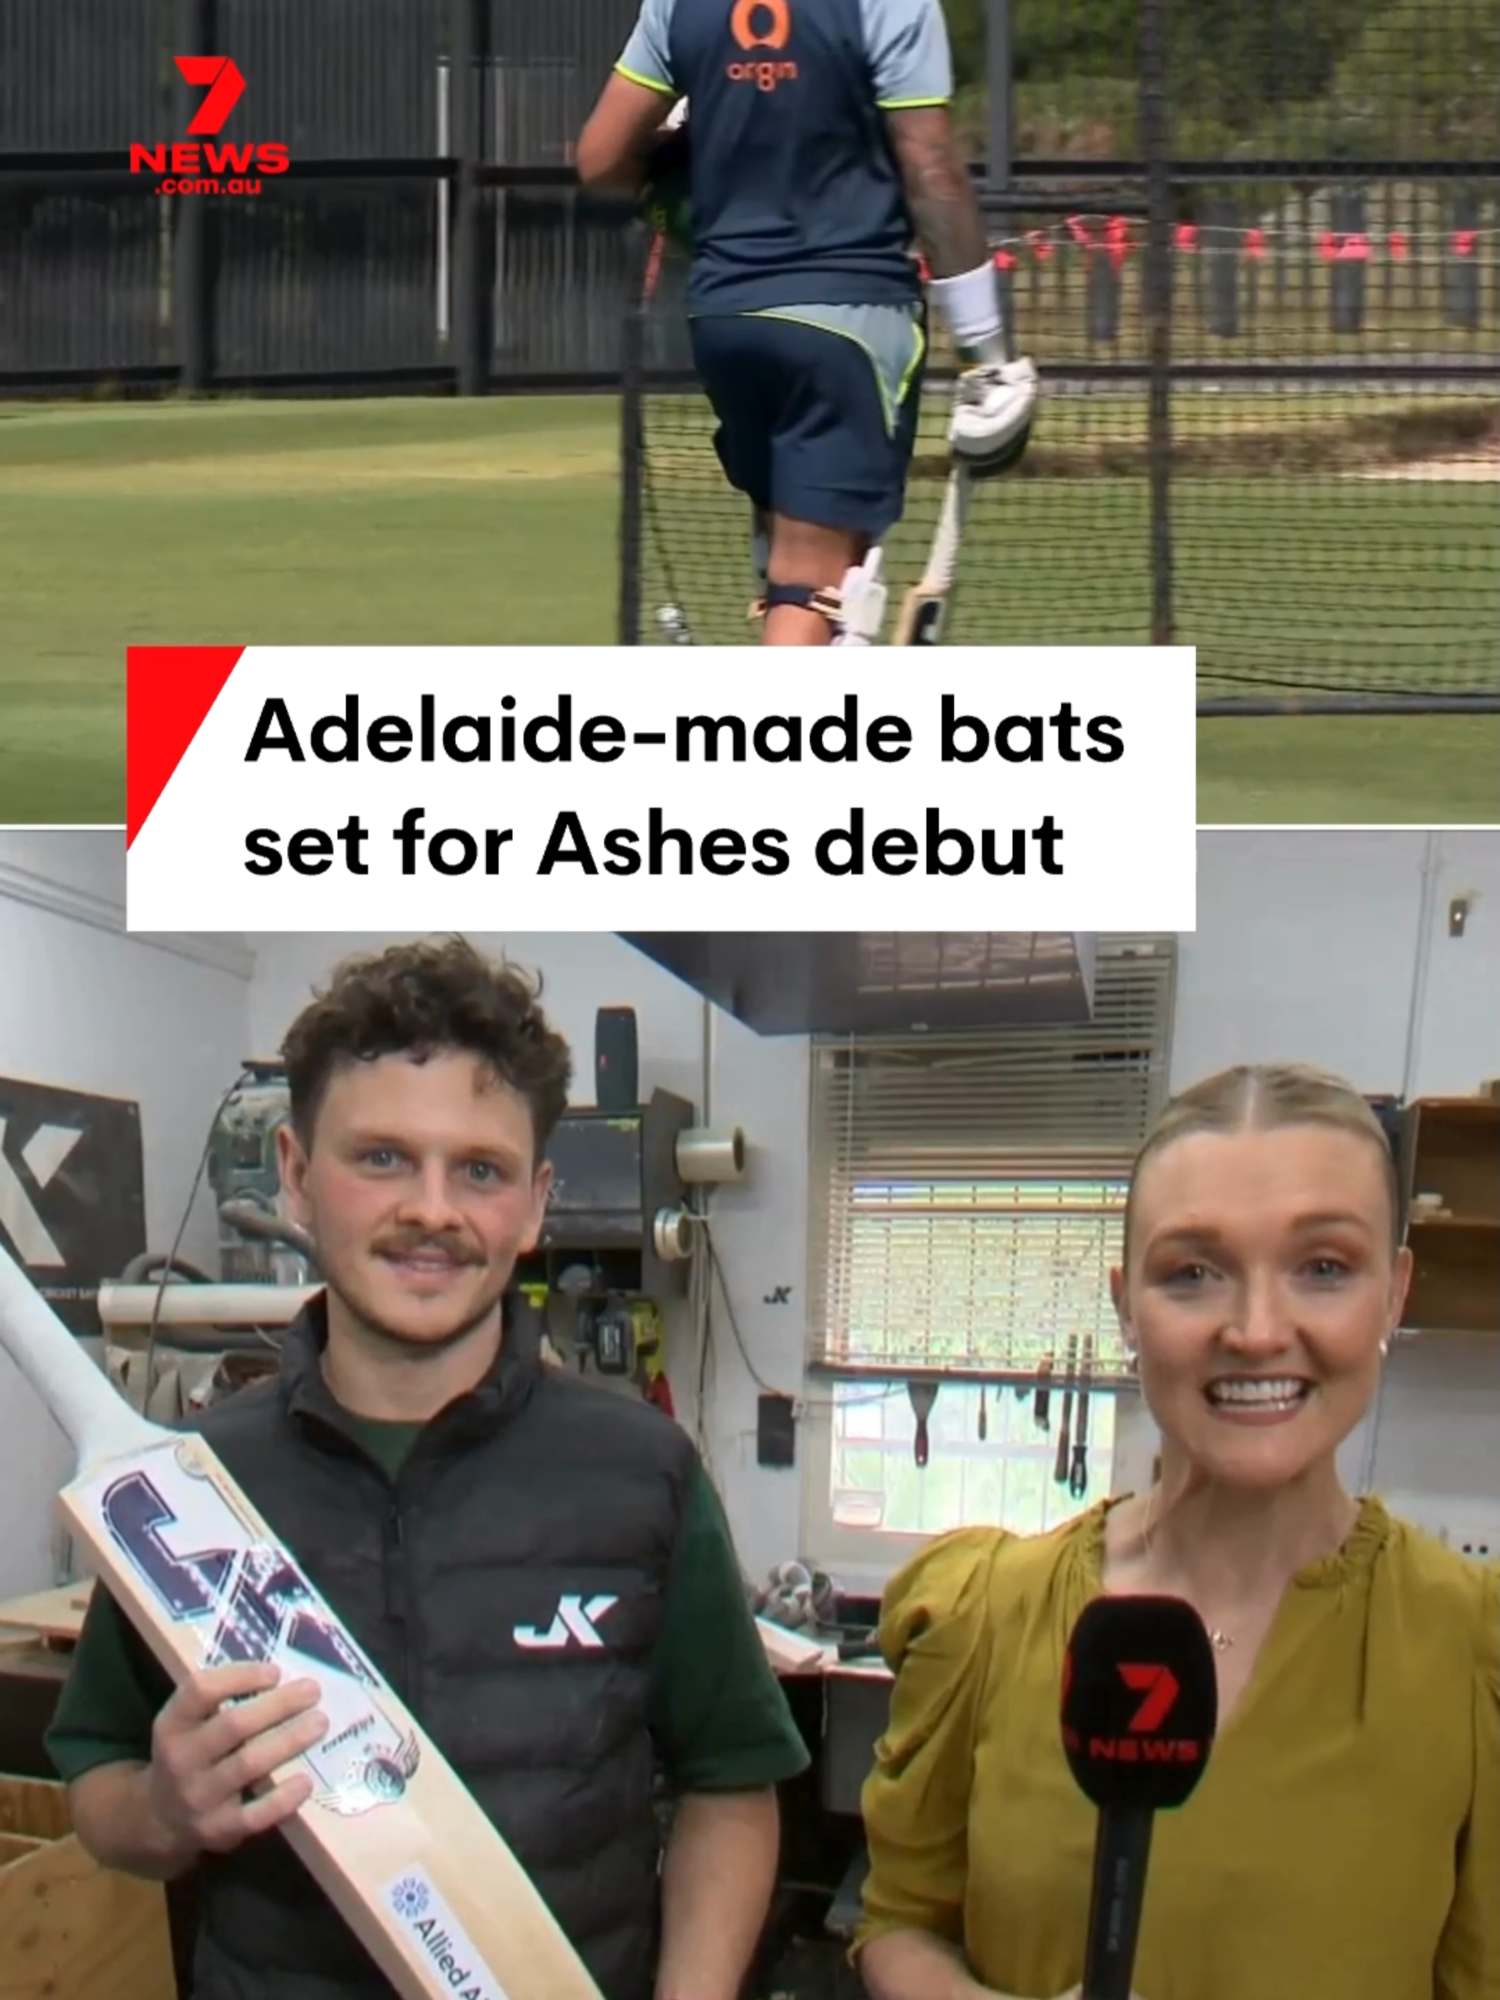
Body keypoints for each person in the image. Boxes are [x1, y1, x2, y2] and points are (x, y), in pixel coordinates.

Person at [44, 937, 811, 2000]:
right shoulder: (189, 1493)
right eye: (383, 1157)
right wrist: (165, 1811)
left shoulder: (643, 1471)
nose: (434, 1209)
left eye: (481, 1169)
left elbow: (731, 1781)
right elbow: (98, 1781)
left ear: (537, 1202)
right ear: (299, 1178)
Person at [852, 1063, 1498, 2000]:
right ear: (1125, 1304)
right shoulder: (987, 1618)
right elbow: (900, 1923)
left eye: (1323, 1268)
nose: (1256, 1329)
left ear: (1393, 1295)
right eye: (1192, 1273)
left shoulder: (1467, 1650)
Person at [576, 0, 1039, 646]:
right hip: (844, 320)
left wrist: (675, 202)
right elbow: (929, 165)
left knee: (799, 571)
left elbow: (599, 160)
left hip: (724, 318)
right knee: (811, 585)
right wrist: (987, 353)